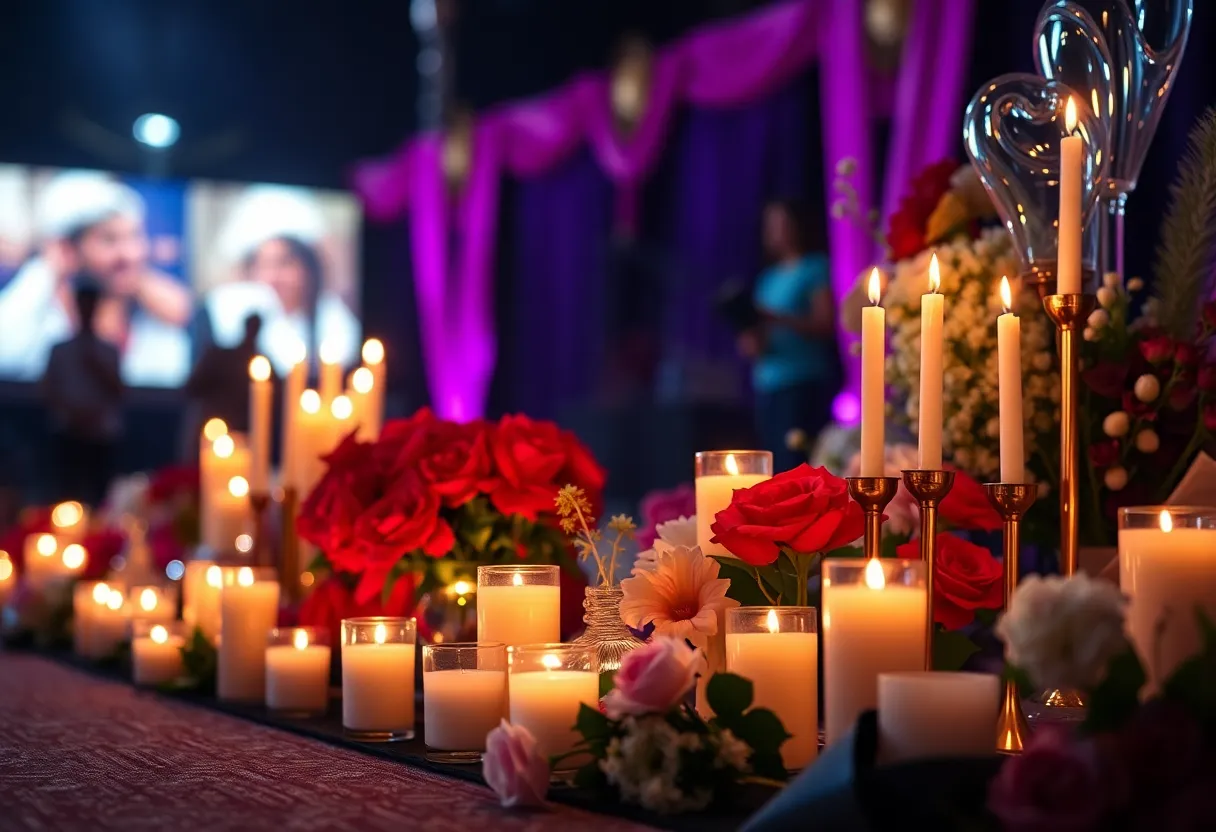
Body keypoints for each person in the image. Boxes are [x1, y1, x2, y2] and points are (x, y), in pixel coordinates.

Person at [0, 170, 192, 385]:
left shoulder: (155, 325)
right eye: (109, 240)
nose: (131, 254)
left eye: (135, 236)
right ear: (66, 249)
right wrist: (47, 268)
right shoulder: (37, 323)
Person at [198, 186, 359, 376]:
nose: (272, 277)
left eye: (284, 264)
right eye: (262, 265)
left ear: (309, 268)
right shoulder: (223, 312)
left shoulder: (336, 322)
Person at [738, 200, 840, 472]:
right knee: (771, 463)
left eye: (781, 223)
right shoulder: (767, 278)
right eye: (770, 225)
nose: (775, 231)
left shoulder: (815, 267)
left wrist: (778, 319)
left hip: (803, 381)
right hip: (768, 383)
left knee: (796, 462)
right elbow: (760, 335)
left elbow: (825, 325)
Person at [41, 277, 124, 507]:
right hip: (68, 432)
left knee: (101, 498)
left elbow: (119, 391)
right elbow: (48, 390)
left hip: (101, 435)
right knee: (66, 497)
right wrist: (74, 414)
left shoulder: (108, 351)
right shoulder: (60, 350)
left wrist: (97, 367)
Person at [184, 314, 263, 443]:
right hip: (211, 431)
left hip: (245, 439)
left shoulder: (263, 367)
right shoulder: (220, 356)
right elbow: (192, 388)